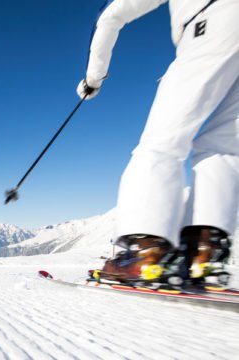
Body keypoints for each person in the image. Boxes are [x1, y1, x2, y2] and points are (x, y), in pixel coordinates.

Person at [77, 0, 238, 286]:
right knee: (226, 145)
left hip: (212, 23)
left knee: (161, 143)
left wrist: (93, 78)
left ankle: (147, 254)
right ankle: (203, 254)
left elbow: (110, 17)